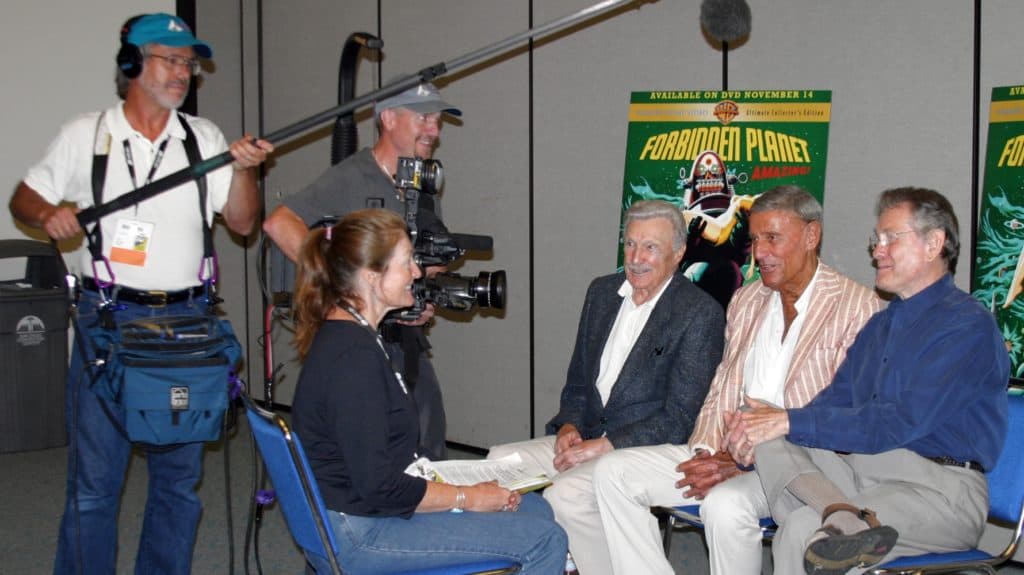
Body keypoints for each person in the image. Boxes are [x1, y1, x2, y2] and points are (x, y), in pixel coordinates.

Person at [8, 13, 273, 574]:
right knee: (94, 485)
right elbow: (23, 200)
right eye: (170, 59)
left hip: (188, 330)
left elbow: (244, 224)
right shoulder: (87, 134)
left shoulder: (203, 139)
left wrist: (245, 171)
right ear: (132, 64)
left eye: (189, 63)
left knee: (179, 484)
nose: (184, 72)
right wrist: (50, 215)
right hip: (107, 323)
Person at [582, 186, 881, 575]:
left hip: (804, 468)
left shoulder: (857, 306)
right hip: (723, 453)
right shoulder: (746, 300)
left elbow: (848, 416)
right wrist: (707, 452)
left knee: (724, 505)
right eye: (755, 239)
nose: (760, 253)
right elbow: (721, 389)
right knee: (613, 473)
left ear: (811, 236)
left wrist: (746, 462)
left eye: (773, 238)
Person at [725, 187, 1010, 574]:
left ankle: (844, 520)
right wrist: (762, 427)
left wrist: (789, 420)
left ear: (934, 244)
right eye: (877, 239)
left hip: (938, 489)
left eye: (892, 238)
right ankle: (838, 511)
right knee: (763, 426)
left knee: (808, 534)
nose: (878, 250)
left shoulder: (966, 326)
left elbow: (897, 423)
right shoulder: (880, 326)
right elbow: (832, 405)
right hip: (864, 477)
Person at [290, 208, 567, 574]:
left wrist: (465, 492)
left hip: (359, 509)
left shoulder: (349, 335)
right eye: (407, 263)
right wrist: (466, 497)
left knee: (534, 508)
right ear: (373, 278)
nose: (417, 273)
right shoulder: (353, 359)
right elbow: (379, 486)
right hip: (359, 531)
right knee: (546, 539)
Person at [487, 199, 726, 575]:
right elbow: (578, 383)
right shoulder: (601, 293)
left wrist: (604, 446)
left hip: (645, 449)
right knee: (498, 464)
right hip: (586, 439)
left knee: (567, 496)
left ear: (678, 253)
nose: (636, 257)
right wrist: (569, 426)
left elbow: (680, 417)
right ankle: (553, 558)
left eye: (651, 247)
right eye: (630, 244)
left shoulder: (699, 314)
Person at [263, 81, 457, 459]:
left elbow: (430, 261)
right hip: (355, 346)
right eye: (424, 118)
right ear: (387, 118)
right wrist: (341, 288)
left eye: (437, 121)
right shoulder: (351, 176)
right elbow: (279, 223)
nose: (434, 130)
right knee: (369, 447)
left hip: (405, 342)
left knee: (426, 438)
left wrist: (422, 296)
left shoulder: (421, 183)